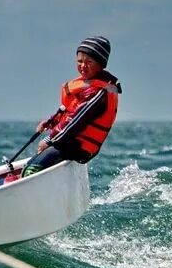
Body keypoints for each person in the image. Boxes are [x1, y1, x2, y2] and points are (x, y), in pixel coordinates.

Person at [22, 36, 121, 177]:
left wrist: (49, 140)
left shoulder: (99, 92)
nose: (83, 65)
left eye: (89, 62)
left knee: (32, 170)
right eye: (80, 61)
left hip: (78, 147)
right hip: (68, 142)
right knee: (29, 166)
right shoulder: (87, 86)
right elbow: (69, 111)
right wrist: (51, 122)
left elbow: (75, 121)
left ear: (101, 64)